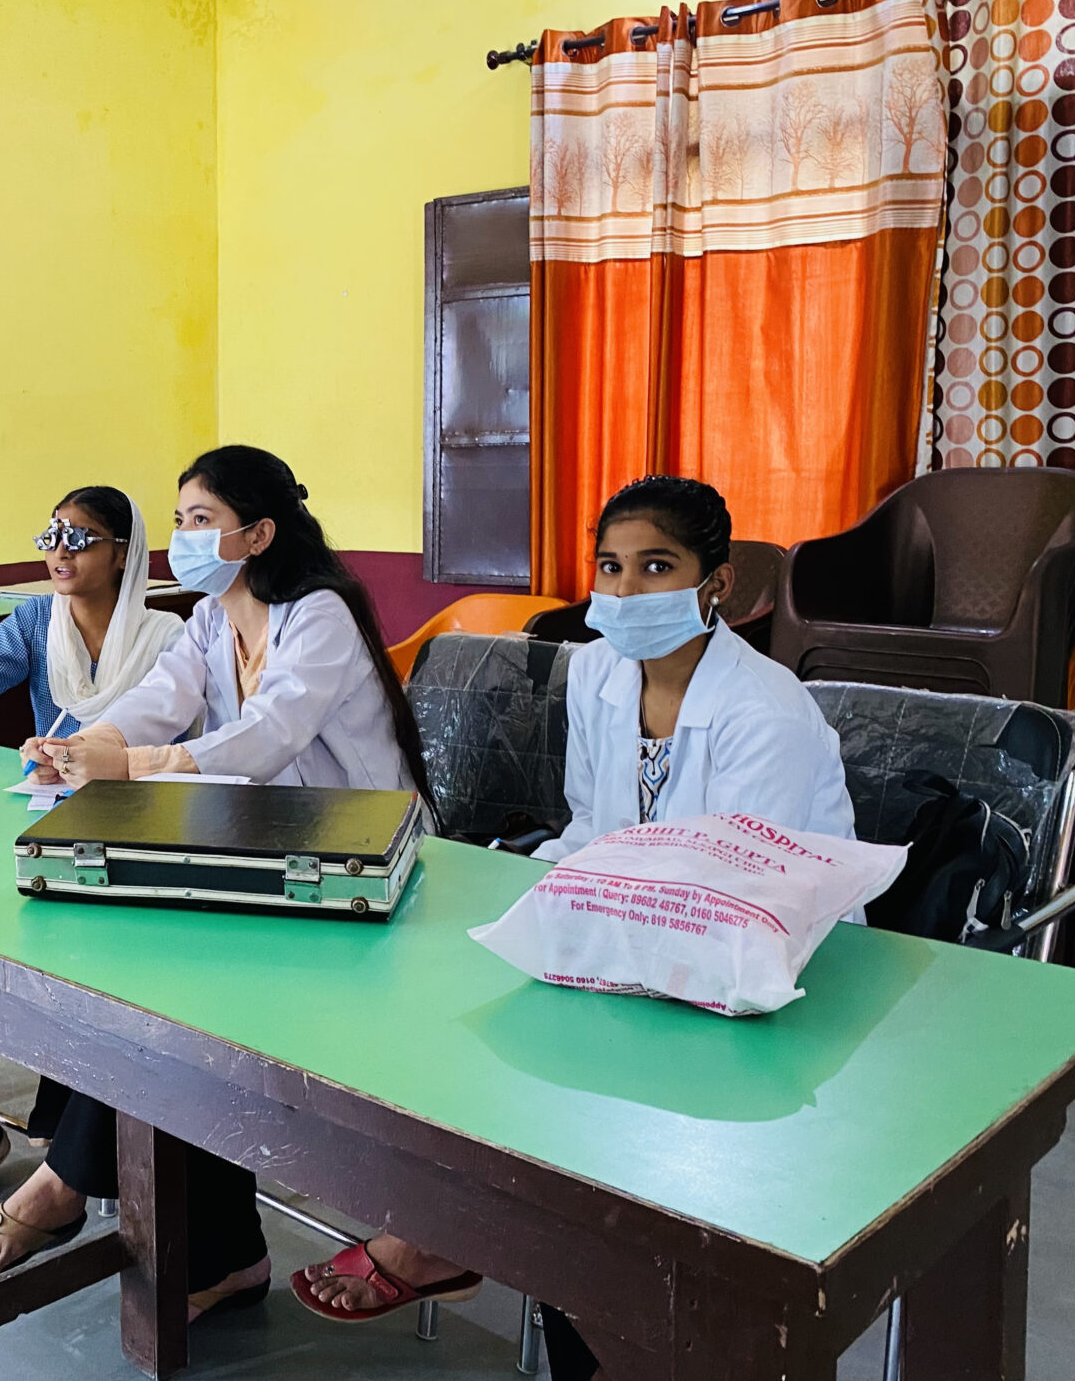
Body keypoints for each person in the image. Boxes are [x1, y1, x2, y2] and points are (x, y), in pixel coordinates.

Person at [294, 476, 857, 1380]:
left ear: (716, 583)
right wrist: (541, 903)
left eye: (656, 567)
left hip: (761, 968)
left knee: (573, 1112)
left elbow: (746, 893)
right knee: (476, 1032)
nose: (624, 592)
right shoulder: (598, 670)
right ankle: (474, 1245)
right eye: (610, 566)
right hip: (635, 941)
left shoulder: (767, 711)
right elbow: (594, 829)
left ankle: (473, 1250)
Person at [0, 444, 429, 1322]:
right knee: (152, 989)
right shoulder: (211, 621)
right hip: (266, 861)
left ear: (260, 533)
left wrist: (130, 762)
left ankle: (74, 1186)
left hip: (353, 874)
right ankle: (222, 1253)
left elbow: (267, 738)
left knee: (174, 1001)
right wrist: (79, 746)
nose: (182, 538)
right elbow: (159, 701)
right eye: (177, 520)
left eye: (200, 521)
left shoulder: (317, 614)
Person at [0, 486, 184, 1222]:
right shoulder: (34, 623)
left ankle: (77, 1106)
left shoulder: (171, 637)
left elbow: (195, 747)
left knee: (103, 981)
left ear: (123, 553)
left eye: (80, 537)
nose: (59, 549)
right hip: (39, 826)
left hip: (138, 832)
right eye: (51, 535)